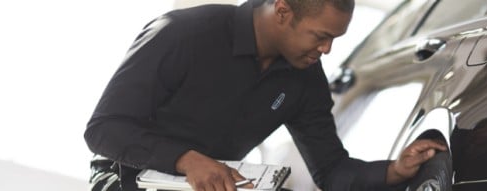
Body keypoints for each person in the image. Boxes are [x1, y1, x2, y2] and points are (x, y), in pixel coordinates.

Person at [83, 0, 447, 190]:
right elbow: (103, 130)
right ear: (283, 11)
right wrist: (187, 160)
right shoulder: (183, 33)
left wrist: (395, 171)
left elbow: (332, 171)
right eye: (320, 36)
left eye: (334, 39)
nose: (327, 50)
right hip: (124, 180)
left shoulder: (306, 78)